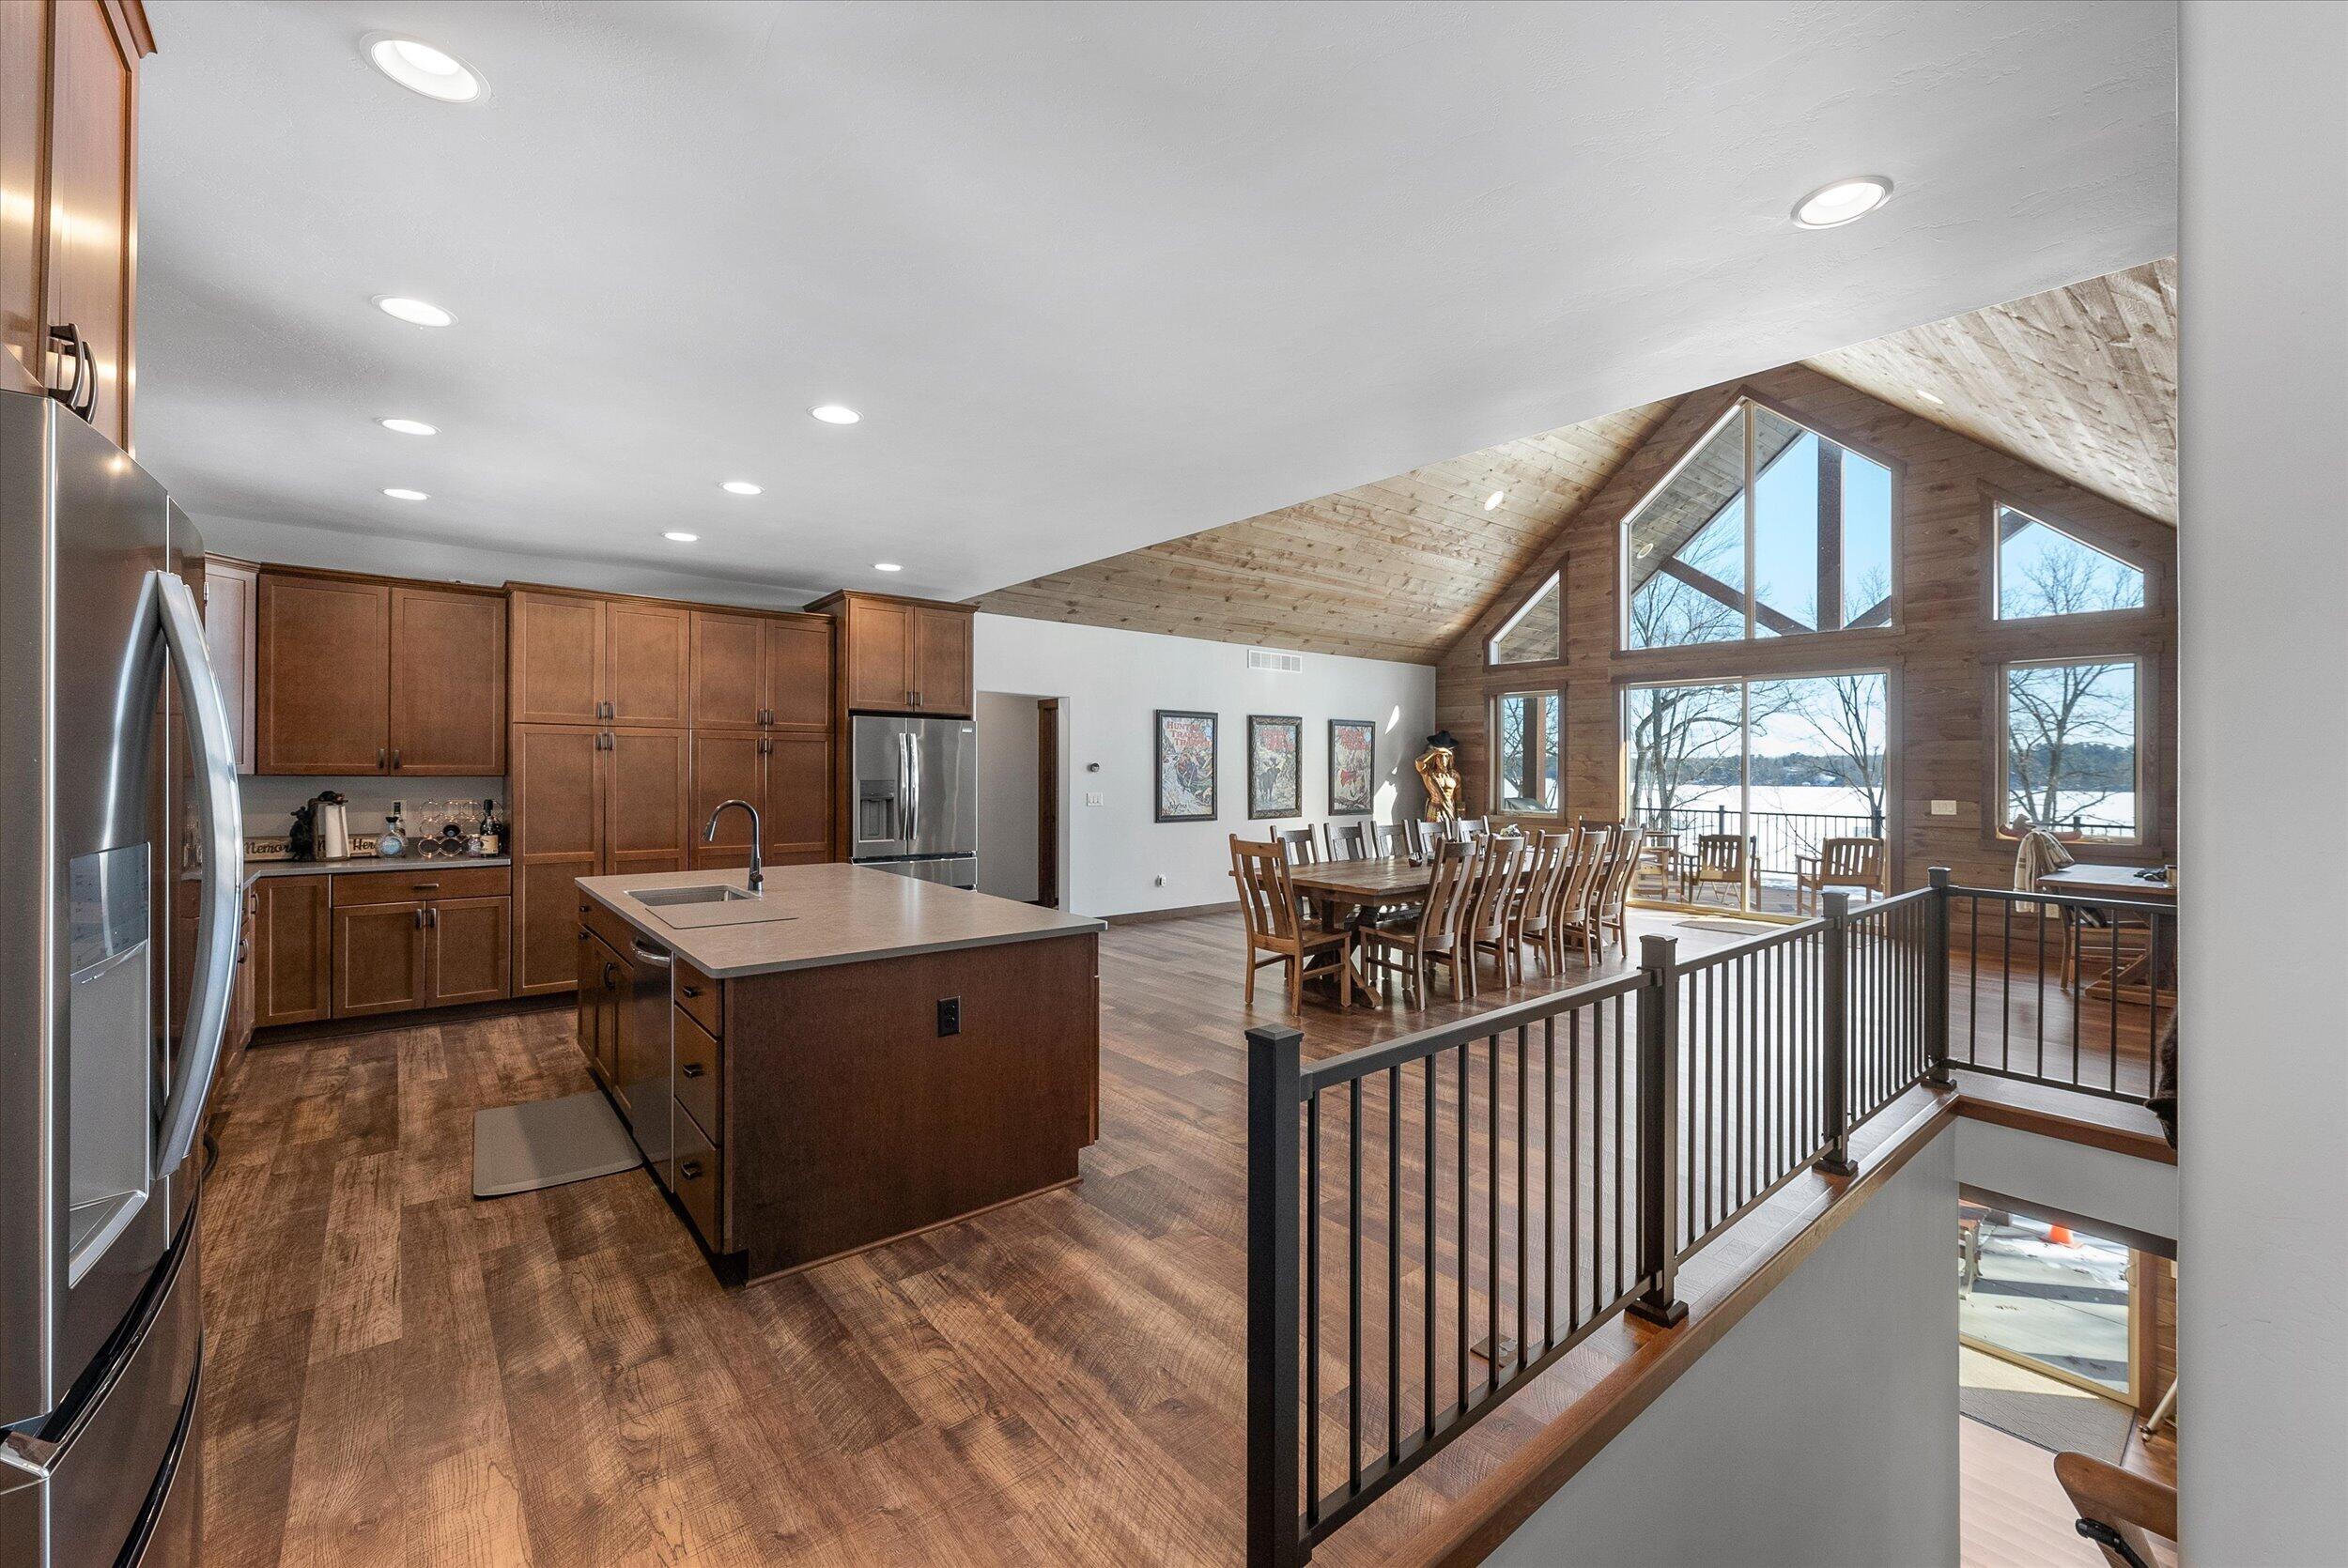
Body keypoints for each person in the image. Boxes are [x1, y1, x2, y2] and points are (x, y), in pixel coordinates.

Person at [1414, 730, 1462, 829]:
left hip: (1450, 809)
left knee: (1450, 839)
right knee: (1435, 839)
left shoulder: (1454, 775)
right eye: (1439, 757)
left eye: (1446, 756)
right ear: (1435, 758)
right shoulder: (1428, 773)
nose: (1443, 760)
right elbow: (1418, 761)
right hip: (1434, 809)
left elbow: (1459, 798)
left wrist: (1462, 815)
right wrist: (1435, 751)